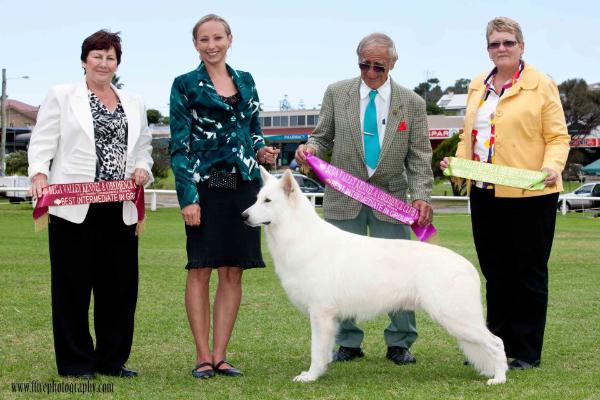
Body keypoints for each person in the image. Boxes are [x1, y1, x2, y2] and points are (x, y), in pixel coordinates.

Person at [295, 32, 433, 366]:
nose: (371, 73)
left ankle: (400, 342)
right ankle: (348, 342)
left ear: (393, 64)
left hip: (392, 199)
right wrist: (310, 150)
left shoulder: (412, 103)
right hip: (343, 196)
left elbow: (419, 157)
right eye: (364, 65)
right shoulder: (336, 93)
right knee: (339, 273)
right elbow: (322, 136)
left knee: (399, 272)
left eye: (378, 67)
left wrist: (422, 196)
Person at [440, 17, 570, 370]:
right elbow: (471, 136)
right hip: (484, 192)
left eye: (508, 42)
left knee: (527, 272)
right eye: (494, 44)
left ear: (521, 46)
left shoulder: (541, 85)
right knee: (495, 272)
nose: (501, 49)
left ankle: (526, 350)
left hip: (531, 194)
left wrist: (552, 166)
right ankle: (493, 344)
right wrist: (458, 165)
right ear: (488, 49)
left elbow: (558, 137)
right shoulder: (477, 84)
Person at [28, 30, 154, 379]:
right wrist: (39, 173)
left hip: (121, 207)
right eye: (97, 55)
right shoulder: (62, 95)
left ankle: (112, 362)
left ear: (117, 63)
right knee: (72, 287)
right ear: (84, 60)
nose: (103, 62)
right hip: (72, 205)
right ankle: (76, 363)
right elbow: (42, 140)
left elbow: (142, 145)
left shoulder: (134, 101)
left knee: (119, 288)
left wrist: (143, 167)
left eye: (110, 57)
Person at [169, 14, 279, 379]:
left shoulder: (246, 80)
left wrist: (262, 151)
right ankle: (202, 356)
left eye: (218, 37)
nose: (211, 45)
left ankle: (221, 356)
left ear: (230, 39)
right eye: (204, 39)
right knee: (201, 267)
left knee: (233, 270)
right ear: (196, 44)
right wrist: (188, 197)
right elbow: (179, 146)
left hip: (244, 185)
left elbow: (253, 128)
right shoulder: (184, 85)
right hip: (209, 184)